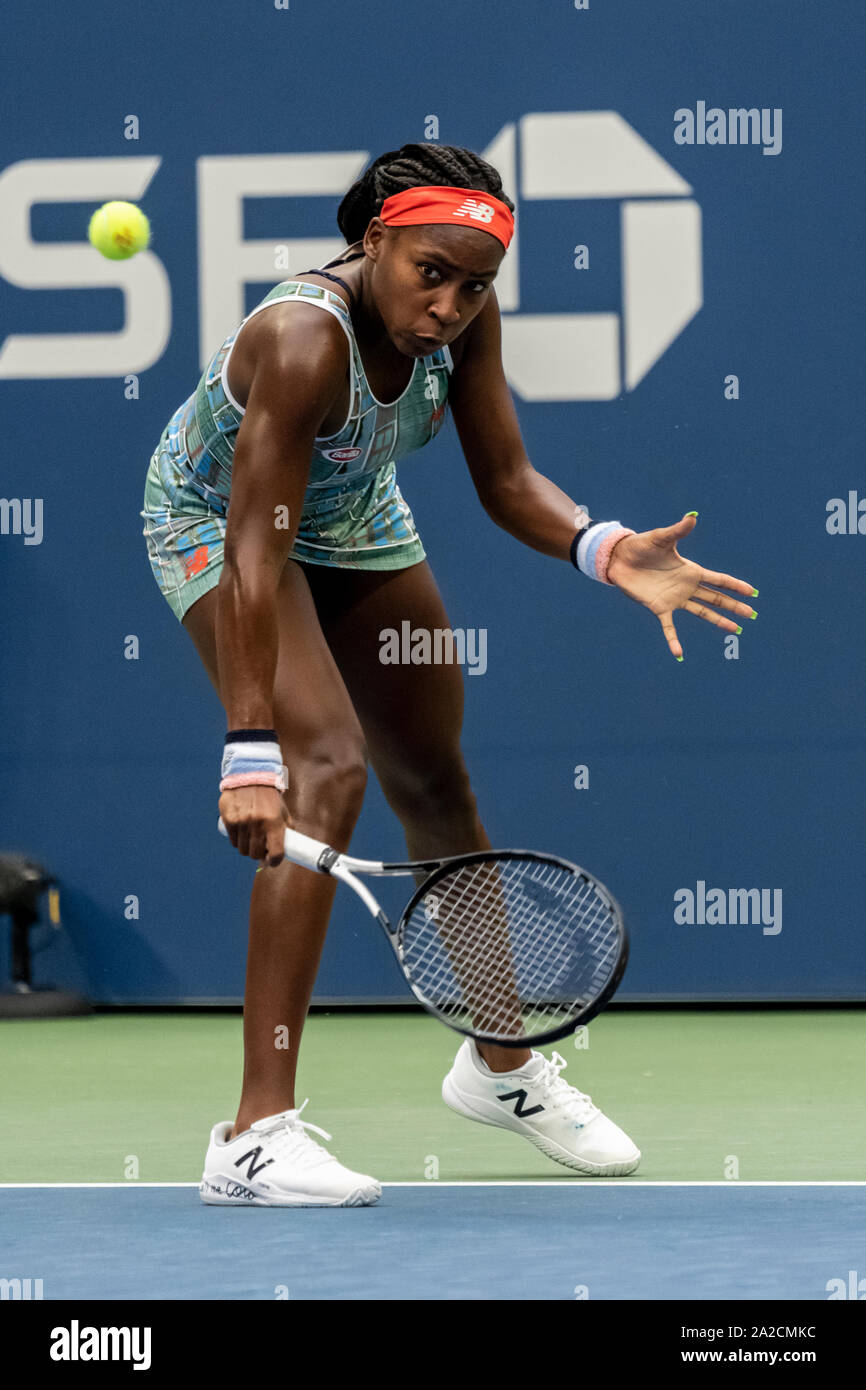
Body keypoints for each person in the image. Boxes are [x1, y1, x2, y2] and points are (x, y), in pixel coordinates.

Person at [141, 142, 756, 1208]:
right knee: (324, 766)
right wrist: (249, 746)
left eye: (475, 284)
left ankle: (500, 1064)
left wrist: (604, 547)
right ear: (374, 241)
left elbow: (507, 479)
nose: (451, 302)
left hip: (356, 513)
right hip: (222, 528)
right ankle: (251, 1136)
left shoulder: (461, 327)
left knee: (432, 778)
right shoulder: (298, 340)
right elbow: (255, 547)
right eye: (430, 271)